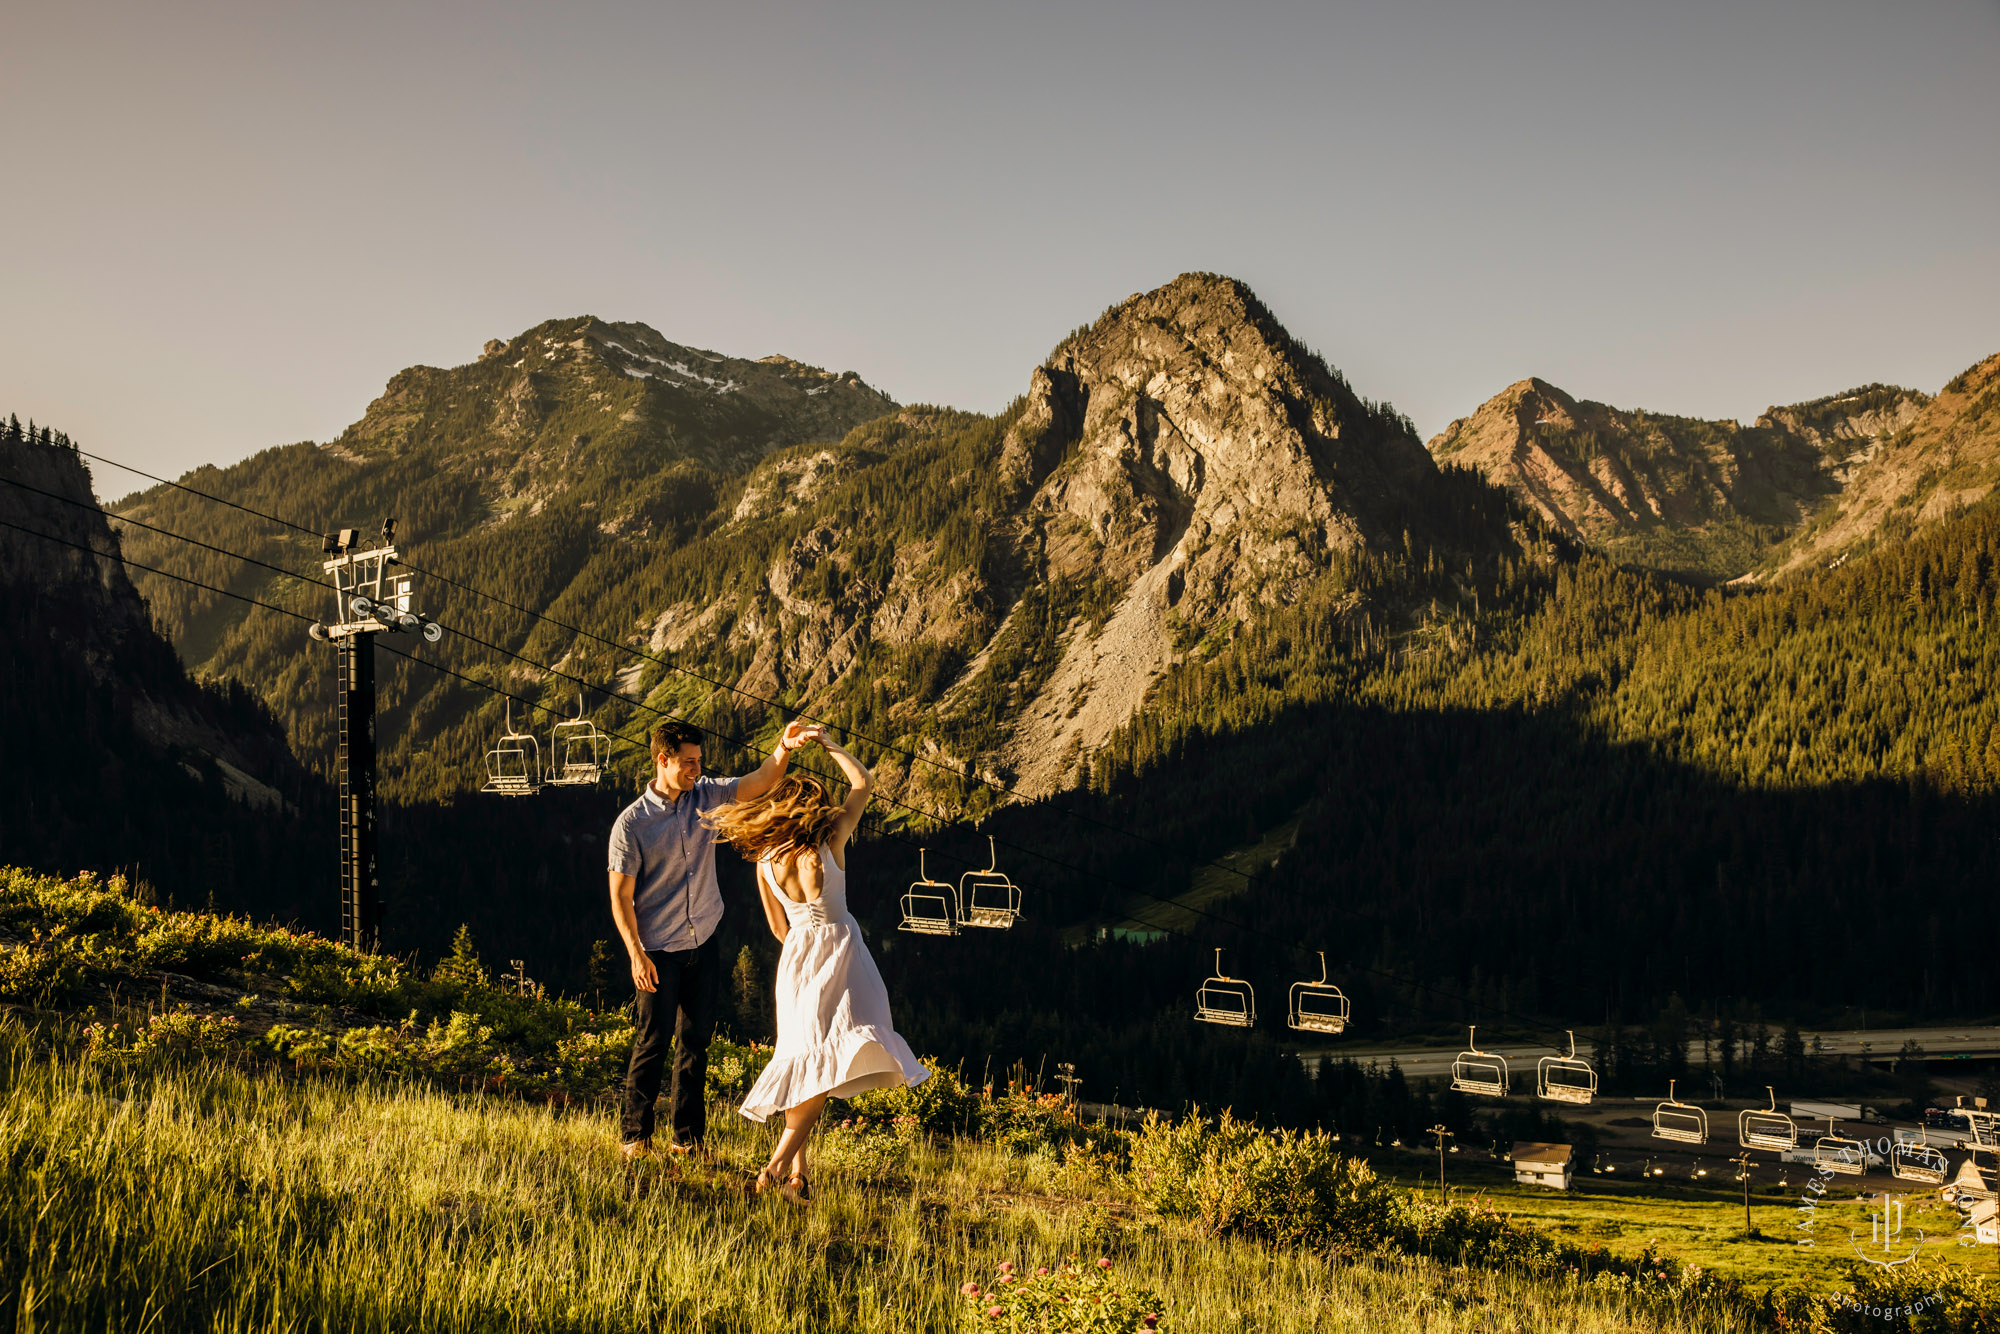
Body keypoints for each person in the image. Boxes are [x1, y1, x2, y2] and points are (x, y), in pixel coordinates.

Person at [705, 729, 928, 1203]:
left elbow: (777, 927)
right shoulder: (831, 840)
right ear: (814, 808)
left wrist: (802, 950)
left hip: (798, 957)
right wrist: (830, 745)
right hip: (842, 951)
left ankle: (798, 1180)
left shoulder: (764, 861)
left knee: (807, 1062)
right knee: (823, 1068)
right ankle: (774, 1169)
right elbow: (863, 784)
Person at [608, 716, 811, 1164]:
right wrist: (635, 954)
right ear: (663, 760)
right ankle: (634, 1137)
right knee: (653, 1043)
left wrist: (784, 747)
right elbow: (621, 897)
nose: (696, 769)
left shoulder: (706, 795)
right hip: (658, 951)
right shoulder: (631, 825)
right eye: (687, 762)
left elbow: (759, 781)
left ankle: (688, 1141)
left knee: (696, 1044)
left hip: (703, 943)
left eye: (699, 761)